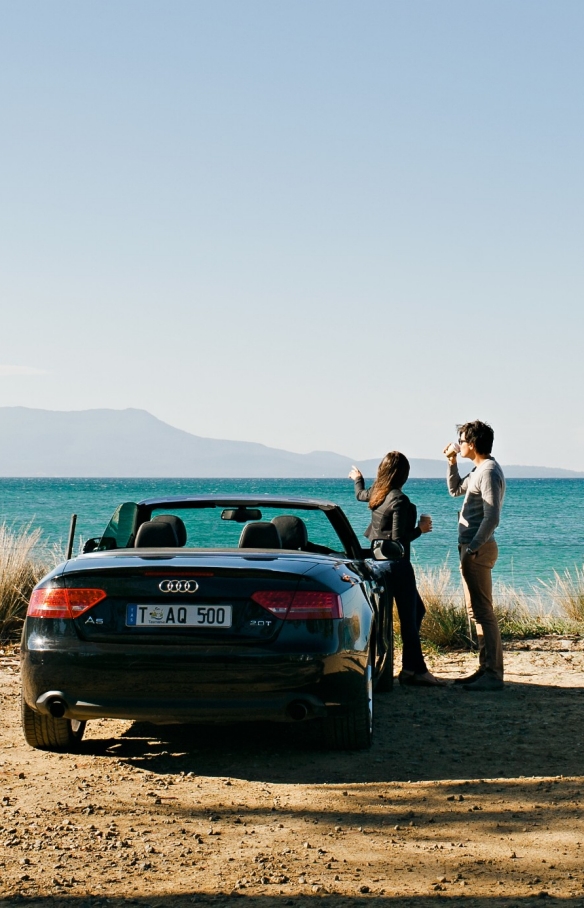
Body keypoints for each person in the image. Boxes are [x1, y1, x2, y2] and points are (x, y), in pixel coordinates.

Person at [349, 452, 446, 687]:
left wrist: (357, 478)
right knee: (410, 617)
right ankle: (414, 670)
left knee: (411, 613)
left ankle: (407, 668)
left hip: (376, 564)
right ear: (403, 475)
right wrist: (420, 529)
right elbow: (398, 540)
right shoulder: (399, 500)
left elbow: (361, 495)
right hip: (397, 566)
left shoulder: (376, 493)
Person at [444, 420, 506, 691]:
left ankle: (493, 674)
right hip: (471, 548)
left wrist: (473, 549)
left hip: (477, 550)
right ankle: (485, 668)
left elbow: (492, 517)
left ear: (474, 443)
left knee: (483, 612)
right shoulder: (478, 470)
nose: (459, 444)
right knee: (476, 612)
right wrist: (452, 463)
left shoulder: (489, 472)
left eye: (462, 440)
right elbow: (455, 489)